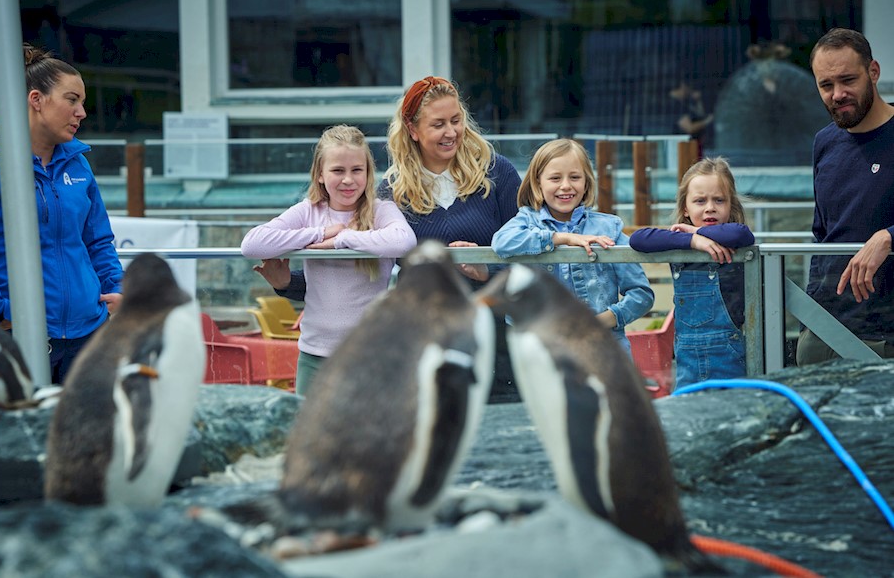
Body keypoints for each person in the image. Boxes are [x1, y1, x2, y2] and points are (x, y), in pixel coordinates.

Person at [263, 76, 522, 398]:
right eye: (438, 124)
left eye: (456, 121)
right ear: (412, 130)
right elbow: (361, 277)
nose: (452, 132)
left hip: (494, 339)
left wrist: (488, 270)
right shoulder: (392, 193)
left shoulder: (498, 174)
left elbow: (530, 260)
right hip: (423, 349)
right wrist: (287, 283)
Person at [0, 44, 123, 385]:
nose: (82, 113)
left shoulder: (78, 164)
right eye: (72, 100)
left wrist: (116, 288)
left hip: (88, 333)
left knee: (86, 436)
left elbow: (98, 241)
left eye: (83, 102)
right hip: (22, 336)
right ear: (36, 100)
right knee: (25, 437)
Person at [241, 124, 416, 396]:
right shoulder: (308, 212)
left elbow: (404, 242)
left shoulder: (382, 210)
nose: (348, 179)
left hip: (370, 355)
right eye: (338, 170)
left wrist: (343, 239)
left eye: (357, 170)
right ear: (320, 175)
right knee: (311, 437)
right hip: (314, 356)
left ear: (368, 173)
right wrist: (320, 233)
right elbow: (252, 244)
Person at [491, 138, 653, 354]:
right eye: (555, 178)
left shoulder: (609, 228)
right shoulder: (526, 221)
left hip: (602, 350)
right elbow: (501, 242)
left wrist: (599, 322)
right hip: (542, 351)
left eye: (575, 177)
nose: (565, 185)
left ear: (586, 182)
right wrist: (560, 238)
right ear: (538, 182)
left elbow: (641, 294)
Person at [796, 28, 894, 365]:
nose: (838, 94)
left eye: (848, 80)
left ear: (874, 72)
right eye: (826, 85)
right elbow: (822, 234)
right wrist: (807, 321)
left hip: (884, 336)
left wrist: (889, 237)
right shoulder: (824, 142)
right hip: (821, 331)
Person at [630, 157, 755, 391]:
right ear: (685, 208)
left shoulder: (734, 238)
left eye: (719, 200)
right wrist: (692, 240)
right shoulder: (679, 243)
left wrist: (697, 230)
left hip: (730, 358)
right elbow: (638, 239)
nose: (710, 207)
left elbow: (742, 235)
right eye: (700, 200)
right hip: (687, 362)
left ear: (731, 205)